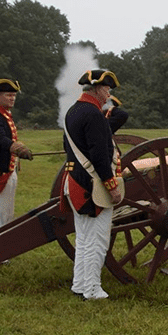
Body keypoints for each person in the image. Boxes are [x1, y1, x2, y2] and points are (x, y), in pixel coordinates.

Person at [61, 69, 122, 300]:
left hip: (75, 182)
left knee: (84, 238)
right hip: (92, 185)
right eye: (107, 89)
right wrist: (111, 185)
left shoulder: (73, 111)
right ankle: (92, 288)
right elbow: (98, 155)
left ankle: (80, 284)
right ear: (97, 89)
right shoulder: (94, 115)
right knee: (97, 238)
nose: (108, 95)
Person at [0, 78, 33, 233]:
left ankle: (1, 253)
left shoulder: (4, 116)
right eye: (8, 95)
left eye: (14, 95)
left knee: (6, 215)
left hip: (8, 171)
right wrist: (16, 147)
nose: (12, 98)